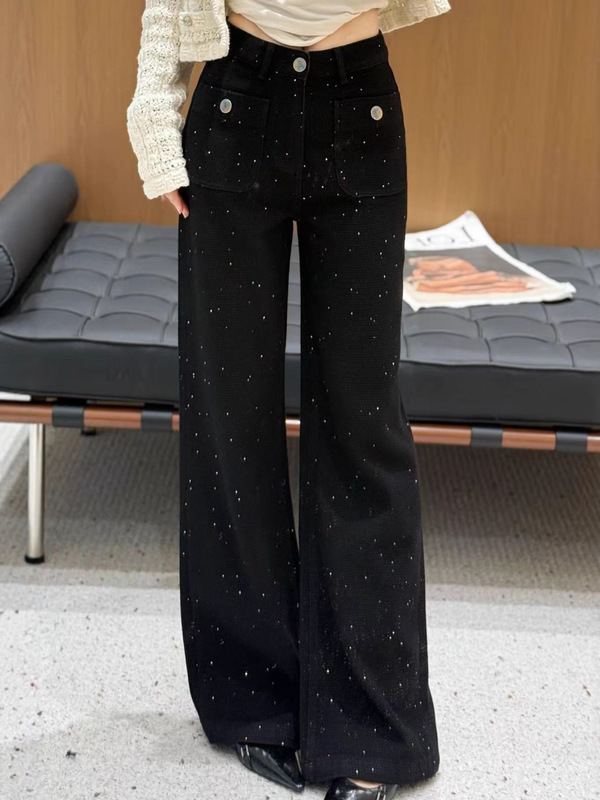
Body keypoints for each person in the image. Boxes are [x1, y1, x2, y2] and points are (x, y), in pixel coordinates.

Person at [126, 1, 451, 798]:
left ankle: (373, 723)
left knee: (363, 419)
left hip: (358, 100)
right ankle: (253, 698)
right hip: (234, 100)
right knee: (228, 419)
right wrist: (155, 119)